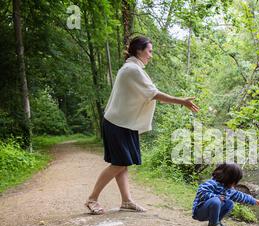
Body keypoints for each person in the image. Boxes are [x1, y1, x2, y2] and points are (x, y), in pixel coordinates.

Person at [85, 35, 199, 214]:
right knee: (119, 163)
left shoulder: (132, 68)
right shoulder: (132, 69)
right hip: (117, 123)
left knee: (123, 163)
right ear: (139, 50)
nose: (151, 55)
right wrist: (182, 101)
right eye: (149, 51)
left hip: (123, 123)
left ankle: (126, 201)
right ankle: (92, 199)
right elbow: (153, 94)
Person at [192, 163, 259, 226]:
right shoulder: (212, 183)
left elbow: (239, 195)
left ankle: (215, 222)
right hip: (200, 212)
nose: (235, 183)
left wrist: (254, 201)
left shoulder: (229, 189)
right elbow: (201, 192)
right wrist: (215, 196)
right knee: (216, 201)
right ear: (228, 178)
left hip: (210, 213)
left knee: (229, 203)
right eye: (235, 181)